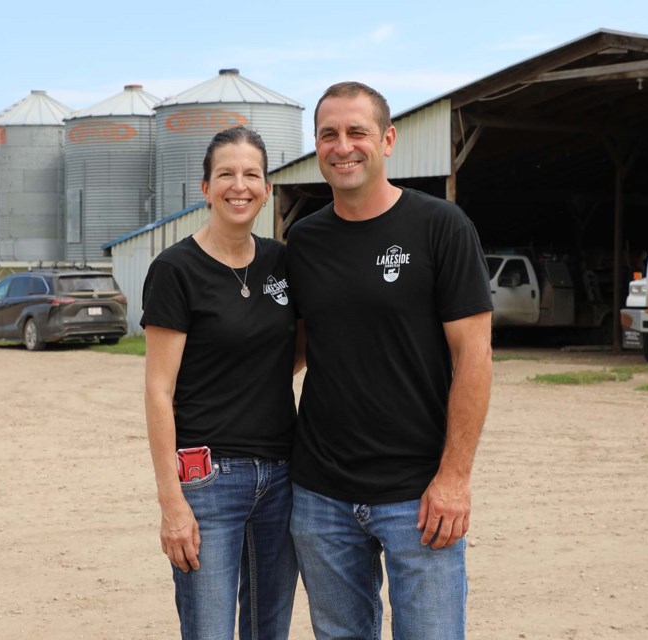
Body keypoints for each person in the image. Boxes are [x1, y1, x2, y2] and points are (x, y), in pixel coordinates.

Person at [285, 82, 493, 639]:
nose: (342, 146)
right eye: (328, 134)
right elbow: (295, 349)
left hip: (418, 495)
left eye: (357, 132)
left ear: (388, 139)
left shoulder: (440, 226)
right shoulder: (303, 241)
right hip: (321, 495)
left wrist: (454, 478)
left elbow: (474, 355)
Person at [141, 126, 299, 640]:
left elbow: (291, 354)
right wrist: (172, 503)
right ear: (204, 188)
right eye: (226, 174)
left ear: (267, 188)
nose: (240, 185)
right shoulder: (175, 270)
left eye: (252, 174)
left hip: (282, 476)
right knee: (209, 631)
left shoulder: (281, 262)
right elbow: (159, 391)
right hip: (208, 481)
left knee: (268, 630)